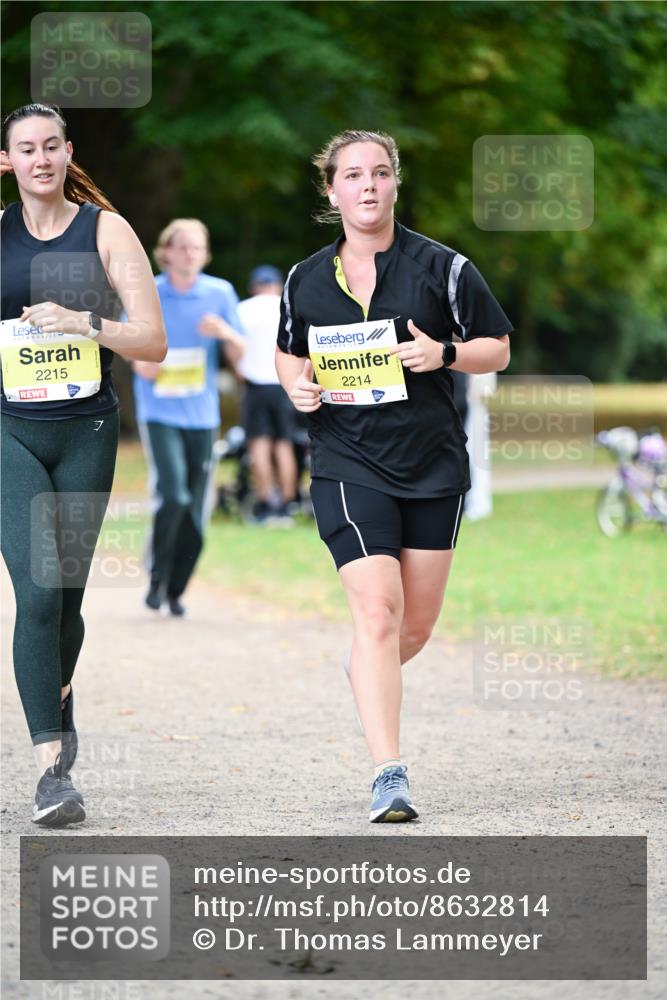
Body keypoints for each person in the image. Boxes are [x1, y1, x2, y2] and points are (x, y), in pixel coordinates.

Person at [275, 130, 512, 823]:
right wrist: (295, 385)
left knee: (413, 627)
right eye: (353, 175)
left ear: (395, 183)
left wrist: (445, 354)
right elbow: (288, 352)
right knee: (377, 612)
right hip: (346, 461)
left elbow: (497, 348)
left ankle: (367, 672)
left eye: (380, 173)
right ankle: (389, 774)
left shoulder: (444, 268)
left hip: (432, 464)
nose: (368, 186)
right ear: (332, 190)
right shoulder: (304, 278)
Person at [0, 103, 167, 826]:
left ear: (68, 152)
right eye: (25, 149)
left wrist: (84, 324)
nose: (39, 159)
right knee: (38, 595)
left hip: (86, 431)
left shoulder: (107, 230)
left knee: (66, 602)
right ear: (7, 160)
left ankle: (59, 701)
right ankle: (51, 771)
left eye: (50, 146)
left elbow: (153, 340)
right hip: (8, 430)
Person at [132, 218, 245, 615]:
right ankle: (157, 574)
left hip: (202, 415)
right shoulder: (149, 293)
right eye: (182, 247)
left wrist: (226, 334)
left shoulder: (220, 293)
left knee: (196, 506)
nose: (189, 254)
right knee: (173, 494)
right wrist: (142, 361)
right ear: (165, 252)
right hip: (159, 411)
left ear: (205, 254)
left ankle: (177, 587)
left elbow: (241, 356)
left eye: (196, 247)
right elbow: (132, 346)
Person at [237, 265, 298, 524]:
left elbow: (234, 348)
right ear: (278, 285)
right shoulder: (289, 307)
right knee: (284, 444)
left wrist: (240, 374)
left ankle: (265, 503)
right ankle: (286, 504)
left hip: (256, 385)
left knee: (259, 445)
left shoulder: (243, 309)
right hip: (283, 383)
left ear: (254, 286)